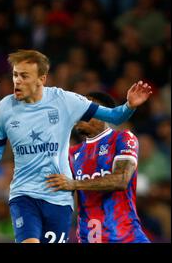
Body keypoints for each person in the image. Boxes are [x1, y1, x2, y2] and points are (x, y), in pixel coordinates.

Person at [0, 49, 152, 243]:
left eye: (24, 76)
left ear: (41, 79)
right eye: (15, 75)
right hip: (23, 194)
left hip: (59, 199)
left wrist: (130, 105)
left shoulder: (65, 100)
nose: (17, 81)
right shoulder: (3, 108)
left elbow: (116, 116)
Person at [45, 92, 150, 243]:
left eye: (85, 108)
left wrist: (74, 183)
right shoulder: (71, 153)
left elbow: (121, 180)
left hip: (126, 237)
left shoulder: (123, 139)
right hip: (89, 238)